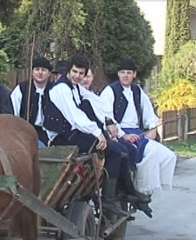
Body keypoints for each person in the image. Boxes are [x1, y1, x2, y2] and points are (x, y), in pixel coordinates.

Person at [42, 54, 149, 217]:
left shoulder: (76, 87)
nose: (78, 76)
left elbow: (98, 103)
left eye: (81, 73)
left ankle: (127, 191)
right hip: (62, 137)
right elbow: (75, 117)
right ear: (69, 70)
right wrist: (98, 133)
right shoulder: (61, 89)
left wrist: (110, 122)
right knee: (115, 152)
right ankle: (109, 198)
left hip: (74, 133)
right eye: (75, 72)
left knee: (124, 150)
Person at [100, 58, 177, 199]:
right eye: (122, 72)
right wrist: (123, 135)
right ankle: (142, 190)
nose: (125, 75)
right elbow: (107, 117)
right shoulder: (110, 91)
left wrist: (152, 128)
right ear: (118, 74)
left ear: (134, 74)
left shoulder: (137, 91)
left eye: (129, 73)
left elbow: (148, 111)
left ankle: (154, 186)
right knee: (151, 153)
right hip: (118, 132)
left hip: (137, 132)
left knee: (169, 156)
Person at [10, 56, 54, 146]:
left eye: (43, 70)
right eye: (37, 69)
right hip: (25, 131)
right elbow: (13, 113)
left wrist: (52, 137)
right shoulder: (21, 89)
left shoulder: (55, 90)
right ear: (32, 72)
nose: (40, 73)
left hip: (48, 133)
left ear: (49, 73)